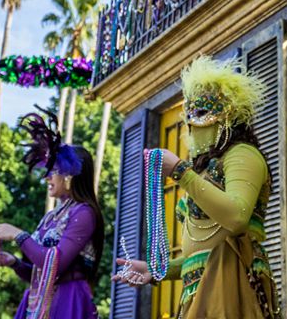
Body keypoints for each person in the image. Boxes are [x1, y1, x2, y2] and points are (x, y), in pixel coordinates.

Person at [112, 56, 277, 319]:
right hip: (198, 289)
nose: (191, 121)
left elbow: (237, 218)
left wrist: (180, 172)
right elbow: (199, 256)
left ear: (228, 114)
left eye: (201, 112)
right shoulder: (206, 167)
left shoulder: (242, 154)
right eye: (188, 113)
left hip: (232, 282)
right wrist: (157, 272)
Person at [0, 110, 104, 319]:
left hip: (68, 301)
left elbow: (55, 263)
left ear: (69, 175)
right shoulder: (51, 217)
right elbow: (38, 272)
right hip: (38, 302)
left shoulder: (84, 213)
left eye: (53, 171)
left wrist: (18, 235)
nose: (47, 178)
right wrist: (14, 263)